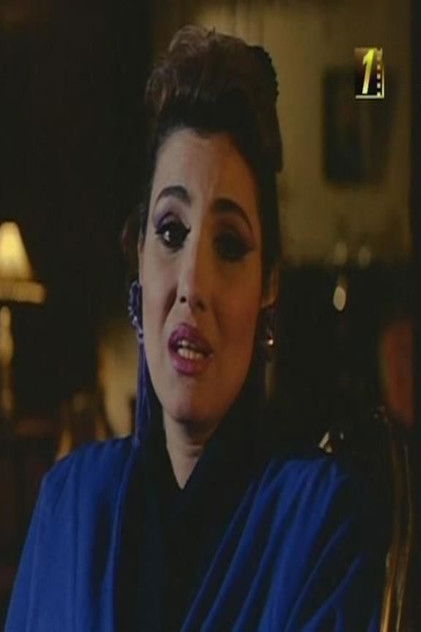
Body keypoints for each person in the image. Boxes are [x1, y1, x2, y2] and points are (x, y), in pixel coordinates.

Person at [6, 25, 389, 631]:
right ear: (139, 257)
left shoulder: (322, 518)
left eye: (230, 245)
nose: (193, 284)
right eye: (170, 232)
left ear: (268, 287)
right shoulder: (70, 503)